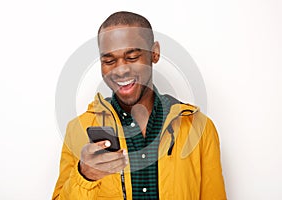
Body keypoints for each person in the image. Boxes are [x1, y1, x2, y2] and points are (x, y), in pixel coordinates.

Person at [52, 11, 226, 200]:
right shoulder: (78, 129)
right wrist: (85, 176)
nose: (121, 70)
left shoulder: (199, 128)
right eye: (109, 61)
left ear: (154, 53)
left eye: (133, 57)